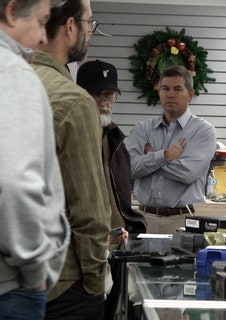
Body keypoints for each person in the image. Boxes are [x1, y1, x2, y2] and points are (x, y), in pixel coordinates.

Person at [30, 0, 112, 318]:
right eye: (89, 23)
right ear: (70, 26)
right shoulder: (73, 101)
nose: (91, 31)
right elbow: (89, 212)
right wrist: (95, 282)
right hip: (62, 285)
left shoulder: (11, 84)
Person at [0, 0, 71, 319]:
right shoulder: (13, 73)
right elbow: (14, 185)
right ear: (12, 11)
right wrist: (34, 272)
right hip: (11, 288)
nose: (44, 38)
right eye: (42, 22)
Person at [76, 59, 146, 320]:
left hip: (116, 245)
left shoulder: (115, 137)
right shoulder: (75, 134)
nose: (104, 101)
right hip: (88, 246)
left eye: (109, 94)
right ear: (81, 94)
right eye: (97, 94)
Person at [126, 65, 217, 234]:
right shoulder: (142, 129)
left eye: (178, 89)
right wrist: (165, 155)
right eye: (165, 88)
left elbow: (187, 173)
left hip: (183, 219)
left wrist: (150, 156)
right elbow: (129, 168)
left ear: (190, 94)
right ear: (159, 92)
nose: (170, 94)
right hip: (144, 219)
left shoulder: (203, 131)